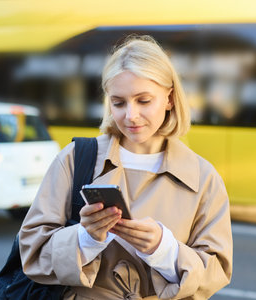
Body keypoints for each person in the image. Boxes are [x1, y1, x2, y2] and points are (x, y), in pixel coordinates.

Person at [19, 35, 233, 300]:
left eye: (144, 101)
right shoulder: (75, 158)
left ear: (169, 98)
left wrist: (163, 249)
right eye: (118, 103)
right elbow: (32, 251)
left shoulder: (204, 178)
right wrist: (86, 238)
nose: (130, 115)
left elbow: (216, 272)